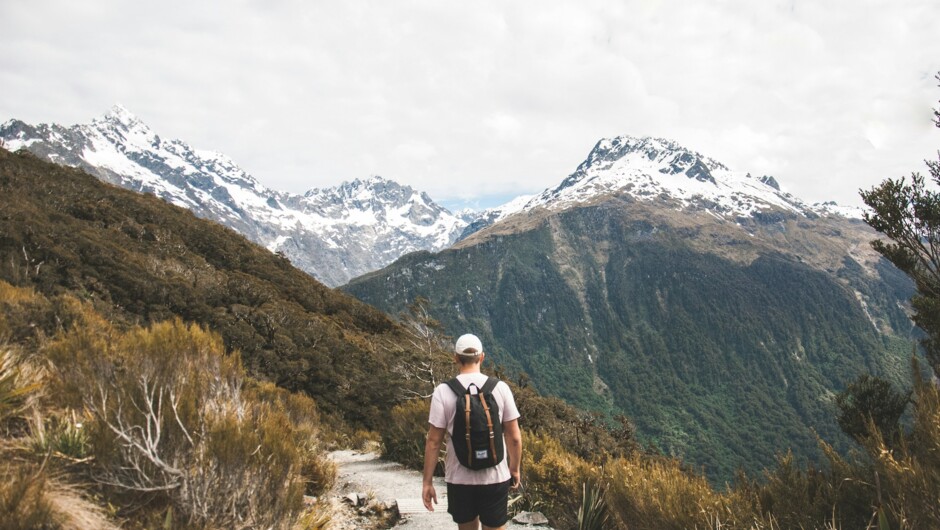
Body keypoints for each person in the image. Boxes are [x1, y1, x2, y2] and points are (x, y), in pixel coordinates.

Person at [422, 333, 523, 530]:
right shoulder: (500, 388)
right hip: (496, 477)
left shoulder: (443, 392)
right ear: (482, 357)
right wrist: (514, 469)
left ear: (456, 358)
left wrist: (427, 482)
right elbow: (514, 437)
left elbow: (433, 442)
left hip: (460, 480)